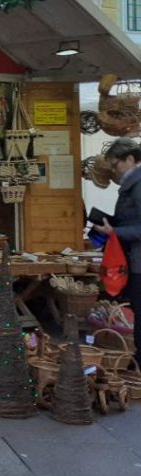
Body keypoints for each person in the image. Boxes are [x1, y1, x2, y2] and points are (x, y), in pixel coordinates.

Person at [93, 139, 141, 362]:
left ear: (130, 159)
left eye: (115, 165)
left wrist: (115, 232)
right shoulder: (131, 186)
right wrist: (110, 226)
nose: (113, 171)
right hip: (133, 260)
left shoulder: (139, 185)